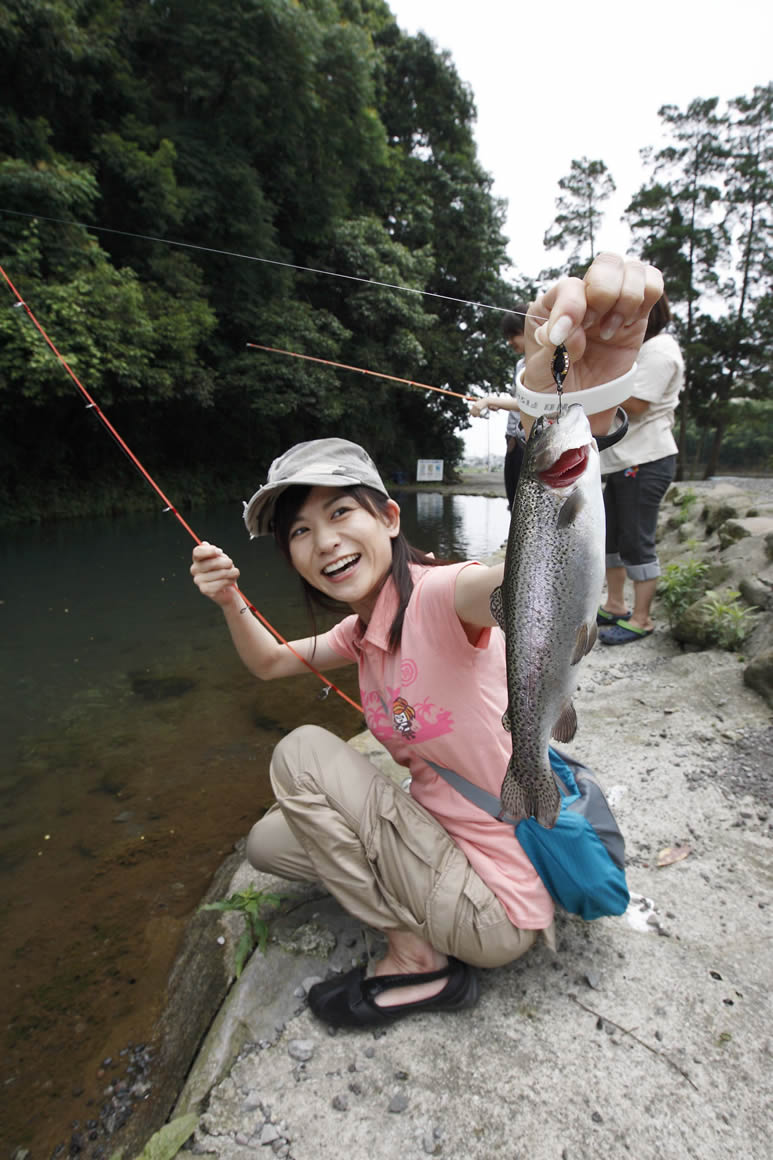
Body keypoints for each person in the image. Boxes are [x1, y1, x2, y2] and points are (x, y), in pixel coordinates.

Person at [190, 254, 663, 1028]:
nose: (323, 542)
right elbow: (271, 662)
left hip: (494, 906)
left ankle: (415, 953)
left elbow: (518, 576)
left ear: (387, 518)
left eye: (342, 513)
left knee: (300, 754)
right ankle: (424, 903)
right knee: (269, 844)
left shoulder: (446, 595)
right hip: (451, 840)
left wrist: (575, 399)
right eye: (300, 531)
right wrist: (230, 597)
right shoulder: (364, 629)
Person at [596, 291, 684, 645]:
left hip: (646, 461)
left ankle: (643, 619)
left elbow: (638, 404)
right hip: (622, 462)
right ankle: (615, 605)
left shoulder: (660, 350)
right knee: (613, 538)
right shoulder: (640, 351)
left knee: (637, 540)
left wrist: (593, 383)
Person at [469, 308, 527, 509]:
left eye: (514, 335)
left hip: (527, 444)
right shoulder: (521, 364)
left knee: (524, 505)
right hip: (511, 439)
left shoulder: (543, 364)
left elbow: (530, 404)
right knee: (513, 500)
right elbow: (519, 400)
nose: (510, 341)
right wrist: (498, 403)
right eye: (508, 337)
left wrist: (488, 400)